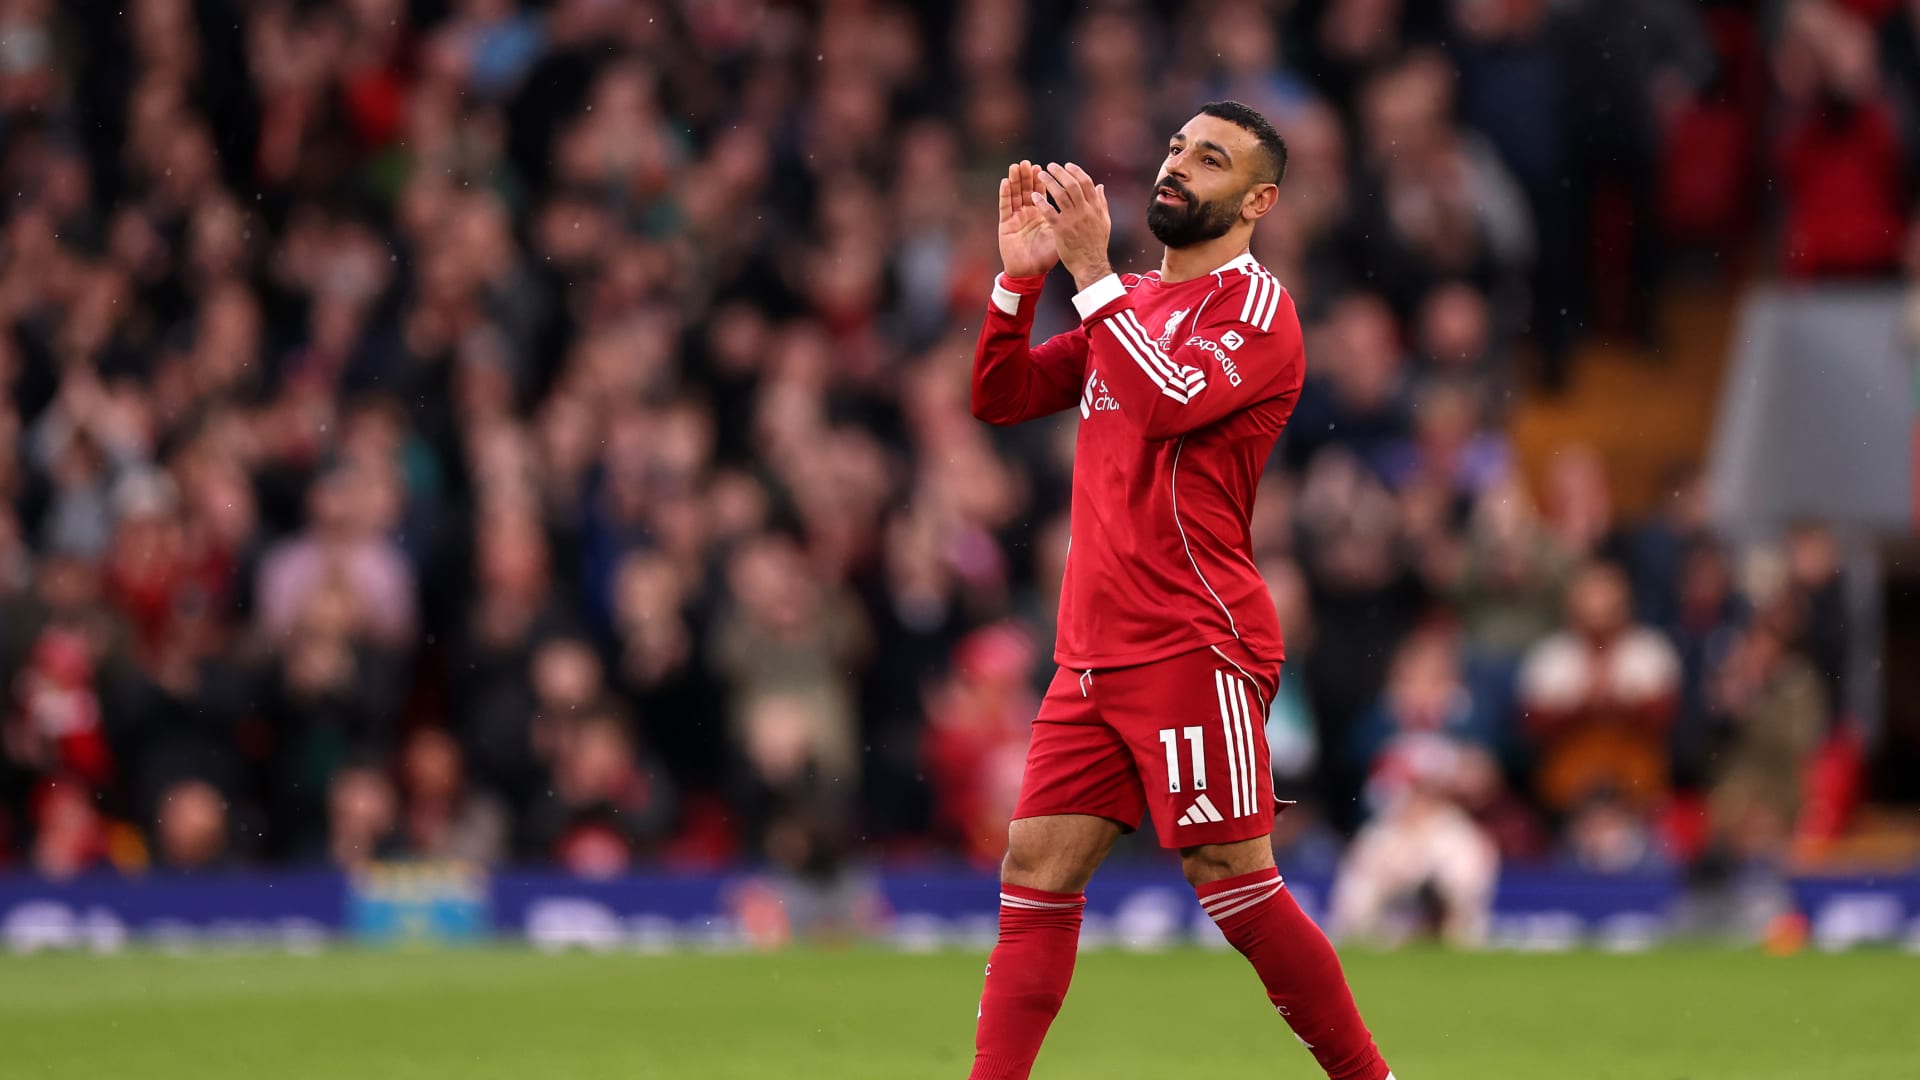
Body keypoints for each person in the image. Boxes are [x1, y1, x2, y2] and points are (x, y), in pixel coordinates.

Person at [966, 101, 1394, 1080]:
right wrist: (1018, 281)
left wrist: (1089, 273)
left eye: (1209, 160)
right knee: (1035, 869)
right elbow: (1002, 395)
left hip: (1192, 639)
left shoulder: (1258, 312)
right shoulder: (1132, 303)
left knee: (1231, 878)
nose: (1176, 167)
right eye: (1174, 148)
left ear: (1258, 201)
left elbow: (1164, 403)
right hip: (1090, 651)